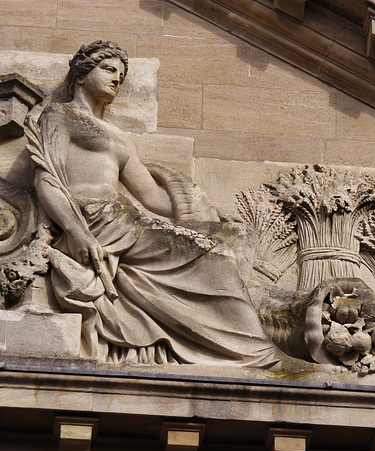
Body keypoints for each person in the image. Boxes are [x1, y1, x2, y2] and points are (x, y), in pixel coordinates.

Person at [29, 40, 281, 368]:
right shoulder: (60, 116)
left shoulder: (119, 137)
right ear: (81, 74)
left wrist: (208, 210)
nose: (117, 79)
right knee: (214, 257)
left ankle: (238, 340)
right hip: (95, 218)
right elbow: (46, 178)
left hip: (125, 217)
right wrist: (76, 231)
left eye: (121, 75)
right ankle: (254, 353)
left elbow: (151, 197)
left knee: (234, 237)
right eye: (108, 70)